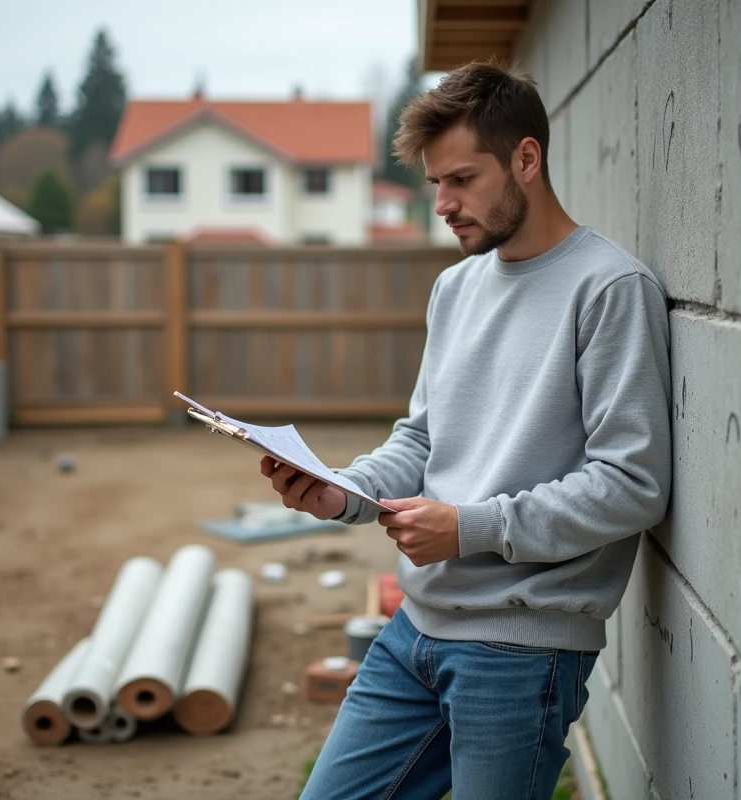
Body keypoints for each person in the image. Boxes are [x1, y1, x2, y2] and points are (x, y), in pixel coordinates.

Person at [261, 58, 672, 800]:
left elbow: (632, 486)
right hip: (412, 633)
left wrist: (470, 528)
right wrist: (341, 492)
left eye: (462, 180)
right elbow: (421, 440)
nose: (444, 204)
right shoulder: (455, 288)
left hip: (520, 652)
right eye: (436, 184)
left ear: (527, 158)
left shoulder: (609, 289)